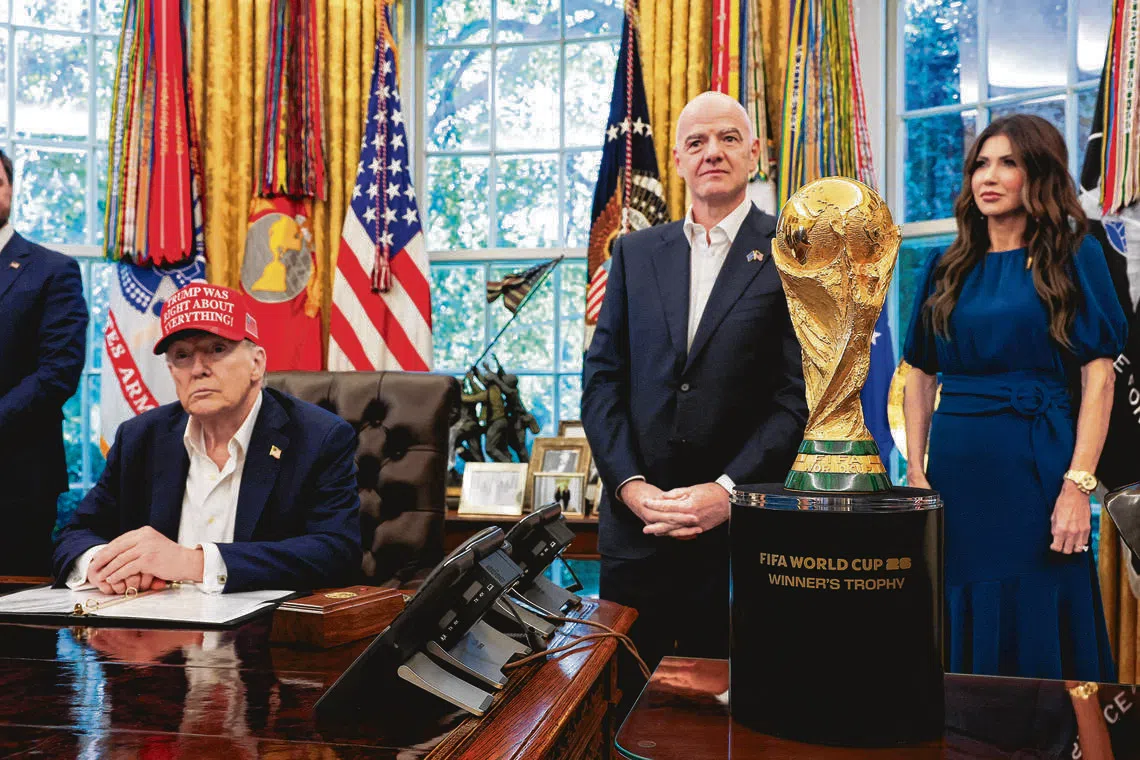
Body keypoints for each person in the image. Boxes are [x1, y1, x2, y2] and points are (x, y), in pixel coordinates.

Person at [582, 91, 807, 678]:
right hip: (638, 529)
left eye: (729, 138)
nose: (713, 152)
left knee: (729, 712)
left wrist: (726, 492)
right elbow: (603, 382)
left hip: (740, 533)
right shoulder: (633, 253)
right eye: (697, 142)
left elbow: (795, 399)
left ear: (755, 154)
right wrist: (630, 486)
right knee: (621, 698)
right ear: (678, 159)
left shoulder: (791, 254)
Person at [903, 114, 1127, 681]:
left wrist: (1078, 486)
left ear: (1039, 174)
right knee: (957, 600)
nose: (989, 176)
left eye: (1008, 163)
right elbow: (920, 376)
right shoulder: (944, 267)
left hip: (1036, 467)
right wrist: (915, 470)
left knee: (1037, 602)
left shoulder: (1076, 254)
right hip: (955, 470)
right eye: (981, 163)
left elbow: (1099, 378)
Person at [53, 283, 361, 594]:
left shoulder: (319, 437)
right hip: (151, 629)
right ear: (172, 371)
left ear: (257, 363)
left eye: (217, 349)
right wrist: (105, 565)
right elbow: (76, 532)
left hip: (263, 632)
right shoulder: (141, 437)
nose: (198, 369)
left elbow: (336, 551)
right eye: (182, 355)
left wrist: (194, 563)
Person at [0, 148, 89, 576]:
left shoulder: (53, 270)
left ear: (11, 190)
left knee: (18, 632)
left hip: (17, 480)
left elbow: (59, 373)